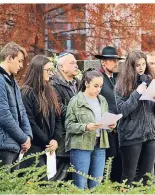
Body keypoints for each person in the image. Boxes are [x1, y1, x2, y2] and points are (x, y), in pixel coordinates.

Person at [115, 50, 155, 185]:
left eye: (143, 64)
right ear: (131, 67)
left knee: (147, 176)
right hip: (131, 135)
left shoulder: (151, 81)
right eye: (137, 65)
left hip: (150, 134)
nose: (141, 68)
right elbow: (122, 111)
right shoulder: (121, 85)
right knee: (128, 176)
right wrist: (137, 93)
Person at [65, 69, 116, 189]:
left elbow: (104, 120)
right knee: (80, 184)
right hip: (81, 146)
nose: (98, 89)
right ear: (86, 83)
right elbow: (68, 125)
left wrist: (111, 125)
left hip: (100, 144)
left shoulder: (102, 100)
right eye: (96, 86)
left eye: (101, 86)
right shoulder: (76, 101)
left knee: (96, 183)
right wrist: (85, 127)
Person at [0, 42, 32, 167]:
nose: (21, 65)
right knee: (2, 186)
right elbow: (4, 116)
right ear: (9, 58)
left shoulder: (12, 81)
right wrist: (23, 138)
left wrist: (28, 136)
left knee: (13, 186)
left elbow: (22, 111)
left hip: (13, 145)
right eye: (19, 61)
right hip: (0, 146)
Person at [21, 55, 62, 175]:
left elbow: (58, 118)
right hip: (33, 148)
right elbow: (29, 122)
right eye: (48, 70)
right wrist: (48, 141)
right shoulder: (26, 92)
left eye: (51, 70)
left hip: (48, 147)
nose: (51, 73)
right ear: (38, 70)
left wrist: (55, 139)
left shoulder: (50, 91)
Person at [95, 46, 123, 182]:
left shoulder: (118, 78)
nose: (115, 63)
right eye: (112, 60)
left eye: (116, 60)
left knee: (119, 163)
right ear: (103, 62)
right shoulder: (97, 78)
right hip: (106, 128)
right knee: (108, 164)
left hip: (120, 127)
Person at [50, 52, 80, 180]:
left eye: (76, 62)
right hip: (61, 137)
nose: (76, 65)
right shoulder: (53, 85)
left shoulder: (78, 83)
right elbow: (59, 108)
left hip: (77, 137)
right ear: (61, 67)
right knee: (60, 178)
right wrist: (82, 115)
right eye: (72, 63)